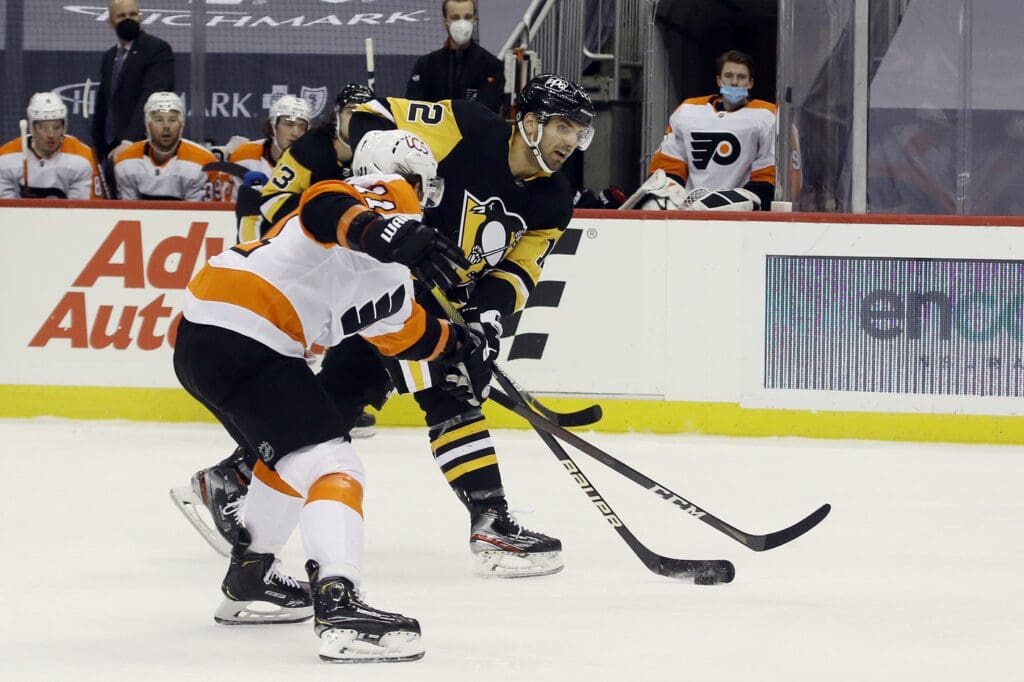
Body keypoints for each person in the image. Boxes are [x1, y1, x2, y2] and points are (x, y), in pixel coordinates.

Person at [174, 128, 483, 662]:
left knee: (292, 460)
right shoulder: (387, 191)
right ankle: (339, 603)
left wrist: (461, 343)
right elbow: (323, 203)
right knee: (335, 466)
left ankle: (252, 576)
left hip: (209, 338)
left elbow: (405, 333)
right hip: (247, 333)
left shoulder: (392, 277)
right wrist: (386, 232)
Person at [640, 49, 776, 211]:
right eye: (728, 76)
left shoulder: (767, 115)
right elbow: (669, 165)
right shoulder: (688, 110)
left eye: (741, 77)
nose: (734, 82)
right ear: (719, 80)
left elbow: (767, 176)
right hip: (689, 205)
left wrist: (751, 199)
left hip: (738, 205)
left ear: (750, 83)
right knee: (653, 206)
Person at [90, 0, 175, 194]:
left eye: (133, 15)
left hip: (141, 146)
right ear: (110, 22)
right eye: (121, 16)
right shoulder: (109, 56)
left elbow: (151, 96)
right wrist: (96, 145)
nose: (129, 20)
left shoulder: (157, 49)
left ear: (140, 17)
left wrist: (128, 141)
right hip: (109, 148)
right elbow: (104, 101)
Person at [228, 94, 312, 241]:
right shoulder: (243, 155)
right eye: (288, 124)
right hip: (247, 232)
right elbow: (226, 204)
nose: (296, 133)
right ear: (273, 126)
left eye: (301, 126)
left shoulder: (313, 161)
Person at [113, 92, 224, 201]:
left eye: (172, 120)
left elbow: (202, 215)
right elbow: (128, 213)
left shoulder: (202, 162)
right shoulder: (126, 161)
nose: (166, 126)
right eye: (159, 120)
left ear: (182, 124)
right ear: (147, 125)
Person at [405, 0, 505, 114]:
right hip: (433, 131)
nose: (462, 24)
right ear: (445, 22)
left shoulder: (492, 66)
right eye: (455, 18)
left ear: (475, 21)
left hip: (472, 131)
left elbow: (489, 110)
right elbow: (412, 108)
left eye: (467, 17)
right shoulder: (425, 65)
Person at [0, 93, 102, 199]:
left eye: (56, 127)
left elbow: (85, 210)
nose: (51, 135)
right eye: (43, 128)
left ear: (64, 128)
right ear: (32, 128)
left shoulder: (82, 157)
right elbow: (5, 210)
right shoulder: (5, 158)